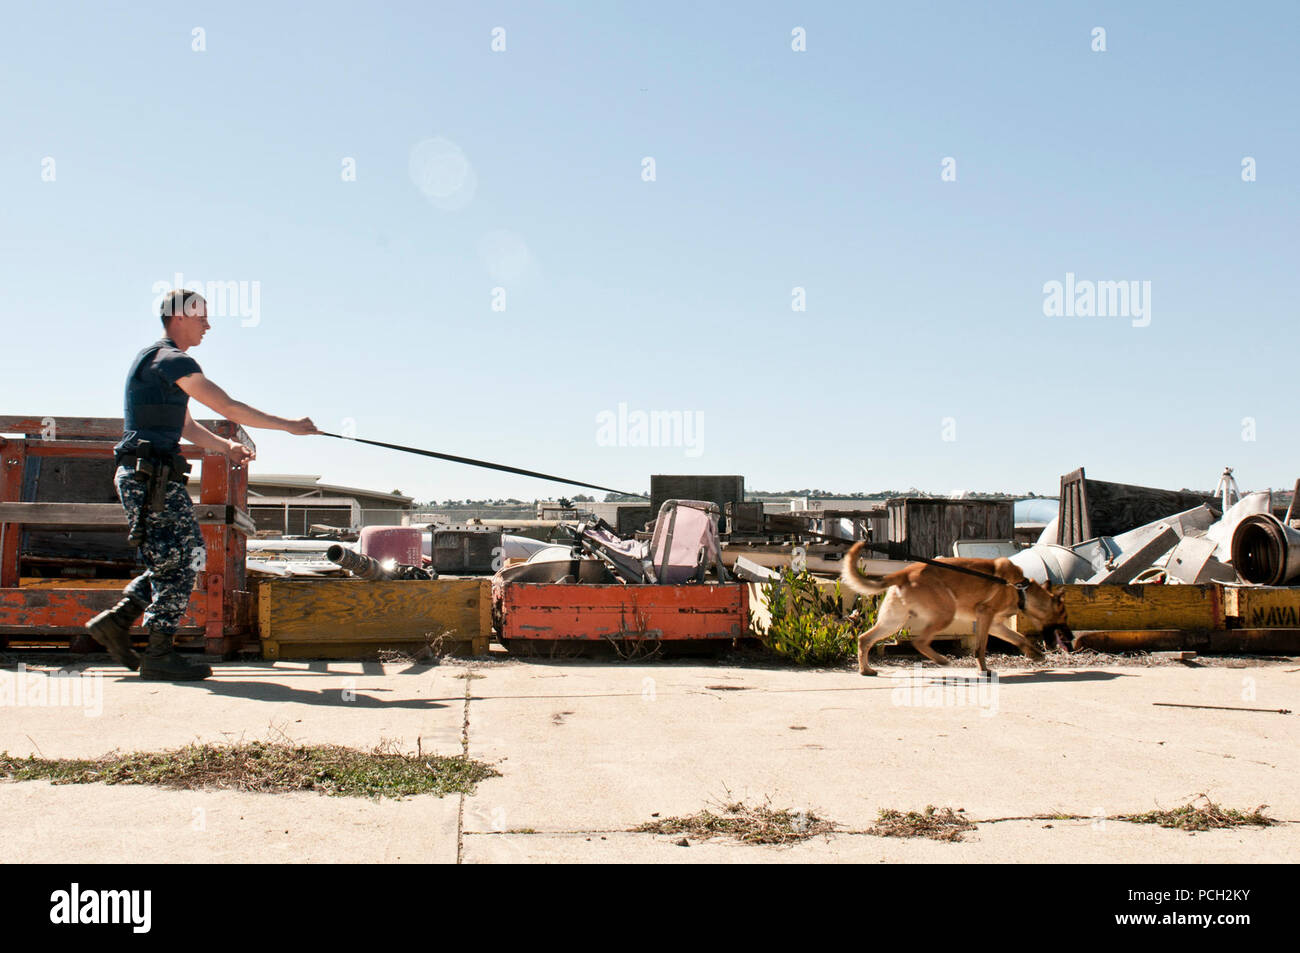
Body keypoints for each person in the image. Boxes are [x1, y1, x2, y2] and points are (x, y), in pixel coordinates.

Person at [84, 289, 317, 680]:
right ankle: (157, 652)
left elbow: (187, 425)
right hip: (147, 478)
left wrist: (226, 446)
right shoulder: (172, 359)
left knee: (186, 555)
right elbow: (227, 407)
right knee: (180, 559)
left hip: (155, 476)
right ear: (178, 317)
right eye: (202, 318)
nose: (208, 325)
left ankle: (119, 621)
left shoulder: (158, 361)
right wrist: (288, 426)